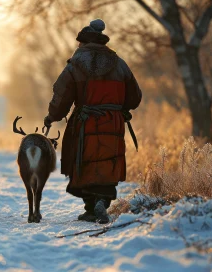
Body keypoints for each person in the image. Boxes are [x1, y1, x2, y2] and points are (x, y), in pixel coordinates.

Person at [43, 19, 142, 224]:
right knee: (108, 161)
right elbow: (135, 97)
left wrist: (52, 116)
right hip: (112, 123)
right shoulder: (119, 64)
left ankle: (90, 207)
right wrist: (119, 108)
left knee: (86, 162)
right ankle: (102, 201)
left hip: (85, 123)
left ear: (83, 42)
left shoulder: (75, 65)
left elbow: (61, 96)